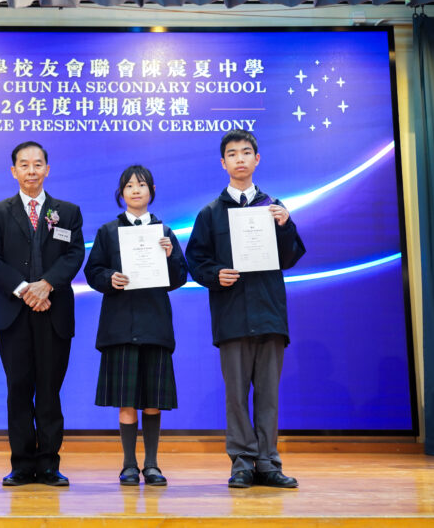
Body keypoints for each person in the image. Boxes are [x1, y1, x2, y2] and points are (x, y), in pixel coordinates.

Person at [185, 130, 306, 489]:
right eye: (232, 154)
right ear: (223, 163)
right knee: (236, 395)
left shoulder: (274, 208)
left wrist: (285, 225)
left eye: (246, 152)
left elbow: (290, 257)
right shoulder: (210, 213)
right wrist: (214, 275)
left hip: (269, 314)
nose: (240, 159)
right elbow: (196, 261)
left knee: (269, 395)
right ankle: (241, 462)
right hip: (232, 315)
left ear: (257, 159)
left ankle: (268, 462)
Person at [0, 141, 85, 486]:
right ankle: (22, 465)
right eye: (24, 165)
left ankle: (49, 464)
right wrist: (25, 289)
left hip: (53, 311)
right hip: (13, 313)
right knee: (18, 388)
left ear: (47, 170)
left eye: (37, 164)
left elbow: (73, 255)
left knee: (50, 390)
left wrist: (47, 285)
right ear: (14, 171)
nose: (31, 171)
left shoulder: (66, 212)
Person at [84, 165, 188, 486]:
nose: (135, 190)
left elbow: (179, 278)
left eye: (141, 185)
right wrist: (109, 278)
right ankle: (129, 464)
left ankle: (152, 465)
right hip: (120, 327)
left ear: (151, 191)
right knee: (126, 400)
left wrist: (170, 257)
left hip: (155, 325)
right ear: (122, 193)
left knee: (153, 401)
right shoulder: (107, 232)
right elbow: (92, 271)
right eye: (129, 186)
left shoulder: (164, 232)